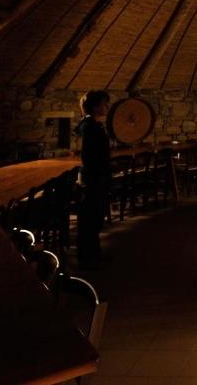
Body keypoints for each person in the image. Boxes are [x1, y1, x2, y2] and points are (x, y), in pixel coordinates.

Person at [76, 90, 111, 267]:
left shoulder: (91, 125)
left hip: (95, 176)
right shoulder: (89, 127)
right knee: (91, 217)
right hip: (93, 177)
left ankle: (92, 252)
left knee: (94, 216)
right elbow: (89, 155)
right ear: (95, 106)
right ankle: (87, 257)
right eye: (104, 104)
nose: (106, 107)